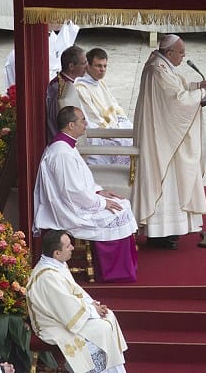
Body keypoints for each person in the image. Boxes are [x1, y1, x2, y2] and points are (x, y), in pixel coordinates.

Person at [34, 106, 138, 282]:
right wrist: (102, 202)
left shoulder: (67, 146)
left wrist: (99, 191)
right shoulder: (62, 153)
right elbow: (72, 192)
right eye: (82, 120)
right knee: (117, 211)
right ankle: (113, 271)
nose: (86, 123)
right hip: (69, 209)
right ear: (71, 125)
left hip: (79, 201)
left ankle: (124, 266)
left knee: (122, 204)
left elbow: (78, 182)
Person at [133, 34, 206, 250]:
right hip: (162, 140)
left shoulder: (161, 65)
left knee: (172, 181)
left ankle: (169, 231)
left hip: (166, 135)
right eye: (181, 52)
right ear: (169, 53)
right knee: (165, 181)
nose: (183, 56)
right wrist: (203, 92)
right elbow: (176, 102)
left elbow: (178, 88)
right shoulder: (157, 70)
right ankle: (160, 233)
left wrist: (198, 86)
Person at [27, 230, 128, 373]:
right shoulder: (48, 277)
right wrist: (92, 311)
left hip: (64, 315)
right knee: (101, 328)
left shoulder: (57, 264)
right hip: (52, 323)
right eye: (68, 246)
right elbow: (66, 307)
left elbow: (74, 291)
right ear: (57, 253)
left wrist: (92, 305)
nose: (73, 248)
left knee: (108, 317)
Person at [75, 47, 134, 165]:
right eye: (98, 66)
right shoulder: (81, 88)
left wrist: (125, 125)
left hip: (113, 129)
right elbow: (94, 120)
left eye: (105, 66)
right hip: (101, 137)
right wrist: (119, 134)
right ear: (88, 66)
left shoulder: (99, 82)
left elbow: (115, 106)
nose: (102, 70)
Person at [45, 45, 87, 142]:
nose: (87, 66)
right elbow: (60, 126)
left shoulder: (65, 84)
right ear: (71, 66)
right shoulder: (60, 90)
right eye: (83, 63)